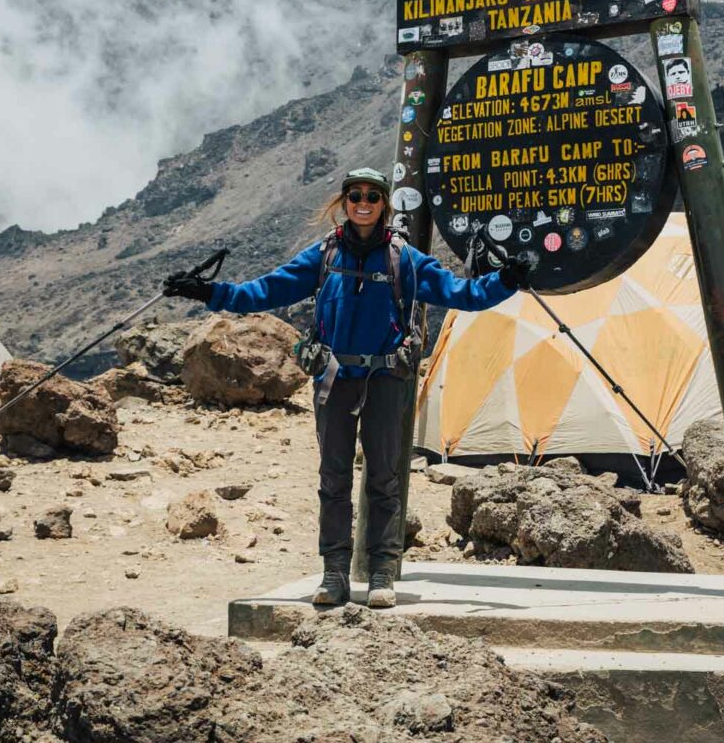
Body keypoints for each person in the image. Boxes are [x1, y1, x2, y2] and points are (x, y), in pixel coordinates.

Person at [163, 167, 529, 610]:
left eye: (372, 196)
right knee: (332, 478)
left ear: (383, 205)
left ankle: (380, 573)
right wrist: (207, 292)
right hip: (334, 379)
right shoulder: (322, 255)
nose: (363, 202)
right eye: (354, 194)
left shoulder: (404, 259)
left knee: (383, 478)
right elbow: (265, 291)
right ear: (343, 201)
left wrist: (505, 281)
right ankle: (334, 573)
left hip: (387, 379)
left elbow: (461, 293)